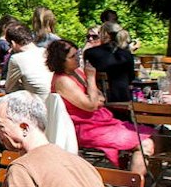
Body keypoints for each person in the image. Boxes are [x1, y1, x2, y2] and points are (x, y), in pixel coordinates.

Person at [47, 38, 151, 178]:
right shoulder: (63, 80)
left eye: (77, 54)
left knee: (155, 137)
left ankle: (148, 186)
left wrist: (94, 97)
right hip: (87, 128)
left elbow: (99, 97)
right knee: (146, 144)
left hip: (102, 122)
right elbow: (91, 105)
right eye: (72, 56)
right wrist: (90, 79)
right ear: (61, 60)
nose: (78, 58)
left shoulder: (76, 72)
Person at [83, 23, 136, 106]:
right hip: (123, 98)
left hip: (100, 98)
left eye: (99, 33)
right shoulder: (126, 54)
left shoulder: (90, 53)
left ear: (105, 34)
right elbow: (131, 77)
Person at [2, 23, 51, 96]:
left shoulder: (16, 59)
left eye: (9, 45)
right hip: (55, 102)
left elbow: (10, 89)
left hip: (36, 103)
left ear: (13, 43)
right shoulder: (46, 52)